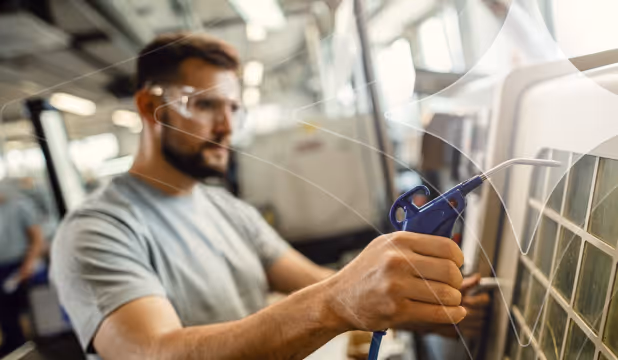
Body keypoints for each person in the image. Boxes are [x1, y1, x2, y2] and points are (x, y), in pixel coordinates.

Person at [50, 32, 483, 360]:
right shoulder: (97, 230)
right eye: (205, 106)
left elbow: (320, 281)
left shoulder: (227, 210)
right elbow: (156, 352)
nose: (226, 127)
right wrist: (335, 304)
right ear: (149, 108)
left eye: (233, 108)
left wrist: (427, 307)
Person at [0, 186, 45, 356]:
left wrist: (29, 264)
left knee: (33, 311)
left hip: (21, 266)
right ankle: (14, 343)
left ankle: (41, 346)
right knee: (5, 312)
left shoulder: (19, 205)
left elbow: (37, 238)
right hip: (1, 269)